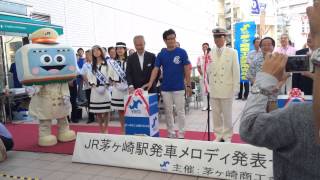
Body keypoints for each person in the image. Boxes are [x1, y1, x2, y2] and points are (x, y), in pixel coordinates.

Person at [240, 3, 320, 179]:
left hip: (271, 89)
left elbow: (250, 127)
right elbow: (249, 74)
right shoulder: (254, 59)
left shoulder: (299, 116)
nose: (266, 46)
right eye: (264, 44)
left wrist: (266, 81)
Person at [146, 29, 192, 139]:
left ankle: (181, 133)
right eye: (169, 39)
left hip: (179, 88)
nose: (172, 41)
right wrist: (150, 82)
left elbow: (187, 69)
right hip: (166, 88)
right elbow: (156, 69)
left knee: (180, 111)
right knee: (168, 112)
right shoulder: (161, 54)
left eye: (173, 38)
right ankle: (171, 133)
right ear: (165, 40)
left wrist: (189, 85)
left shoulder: (182, 52)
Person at [207, 28, 240, 142]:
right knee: (216, 114)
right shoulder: (210, 52)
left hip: (227, 87)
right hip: (214, 88)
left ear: (224, 38)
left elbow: (236, 71)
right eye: (215, 37)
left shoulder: (232, 52)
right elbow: (208, 71)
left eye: (219, 37)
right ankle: (218, 134)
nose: (216, 40)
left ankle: (227, 136)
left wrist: (236, 88)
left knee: (227, 114)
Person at [247, 37, 285, 112]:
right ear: (260, 47)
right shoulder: (256, 61)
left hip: (275, 97)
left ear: (273, 47)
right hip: (259, 97)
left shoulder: (279, 60)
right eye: (263, 45)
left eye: (269, 45)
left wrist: (277, 86)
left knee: (274, 119)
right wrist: (259, 86)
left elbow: (285, 77)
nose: (266, 47)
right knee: (259, 120)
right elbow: (250, 76)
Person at [87, 45, 111, 133]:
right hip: (95, 90)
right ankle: (101, 129)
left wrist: (105, 86)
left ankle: (106, 128)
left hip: (105, 90)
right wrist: (94, 87)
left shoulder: (107, 63)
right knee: (98, 112)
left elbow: (110, 76)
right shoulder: (91, 65)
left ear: (101, 51)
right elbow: (89, 78)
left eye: (98, 50)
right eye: (94, 51)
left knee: (106, 111)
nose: (96, 52)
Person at [109, 42, 128, 134]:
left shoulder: (130, 61)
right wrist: (112, 82)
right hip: (117, 88)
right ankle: (123, 129)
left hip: (128, 89)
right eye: (118, 48)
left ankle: (130, 129)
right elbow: (109, 75)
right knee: (120, 110)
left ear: (125, 50)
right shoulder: (112, 63)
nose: (120, 50)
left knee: (129, 110)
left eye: (122, 48)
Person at [80, 50, 95, 123]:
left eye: (89, 55)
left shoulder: (96, 63)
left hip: (96, 87)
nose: (88, 56)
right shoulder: (85, 65)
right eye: (87, 55)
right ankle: (91, 117)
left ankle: (99, 116)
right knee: (89, 102)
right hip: (88, 86)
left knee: (96, 101)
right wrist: (89, 83)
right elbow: (83, 74)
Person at [196, 42, 211, 111]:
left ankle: (210, 105)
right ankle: (205, 105)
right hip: (203, 76)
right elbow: (198, 67)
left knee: (210, 91)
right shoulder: (200, 57)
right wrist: (203, 74)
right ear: (202, 48)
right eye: (203, 47)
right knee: (204, 91)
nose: (205, 48)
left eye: (206, 47)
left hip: (210, 76)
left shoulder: (211, 55)